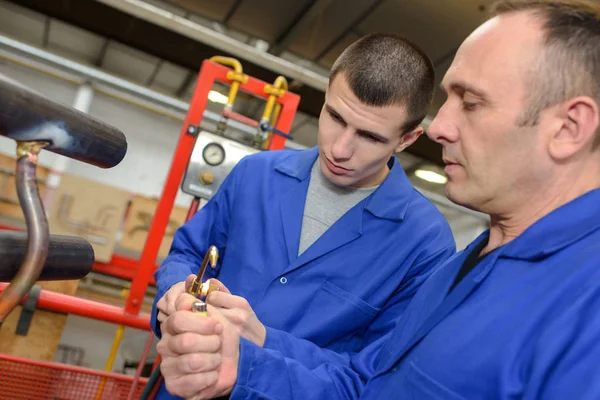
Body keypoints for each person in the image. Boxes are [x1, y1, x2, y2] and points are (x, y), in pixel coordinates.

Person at [152, 33, 456, 399]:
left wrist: (262, 340)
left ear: (407, 139)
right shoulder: (255, 175)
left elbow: (375, 379)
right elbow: (189, 252)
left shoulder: (425, 244)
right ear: (327, 94)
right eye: (335, 116)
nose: (340, 149)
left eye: (370, 137)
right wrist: (174, 291)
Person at [356, 0, 600, 398]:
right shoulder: (469, 261)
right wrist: (245, 359)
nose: (439, 128)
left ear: (569, 128)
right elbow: (367, 382)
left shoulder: (587, 309)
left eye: (471, 103)